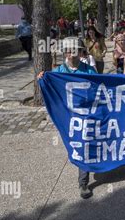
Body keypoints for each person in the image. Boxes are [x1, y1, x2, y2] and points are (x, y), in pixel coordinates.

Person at [37, 37, 97, 199]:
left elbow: (99, 88)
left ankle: (88, 176)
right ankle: (83, 179)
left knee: (88, 144)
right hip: (70, 118)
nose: (71, 53)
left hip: (88, 114)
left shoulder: (90, 70)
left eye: (75, 49)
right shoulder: (58, 73)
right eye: (68, 50)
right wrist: (42, 78)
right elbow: (49, 87)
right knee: (80, 146)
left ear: (81, 51)